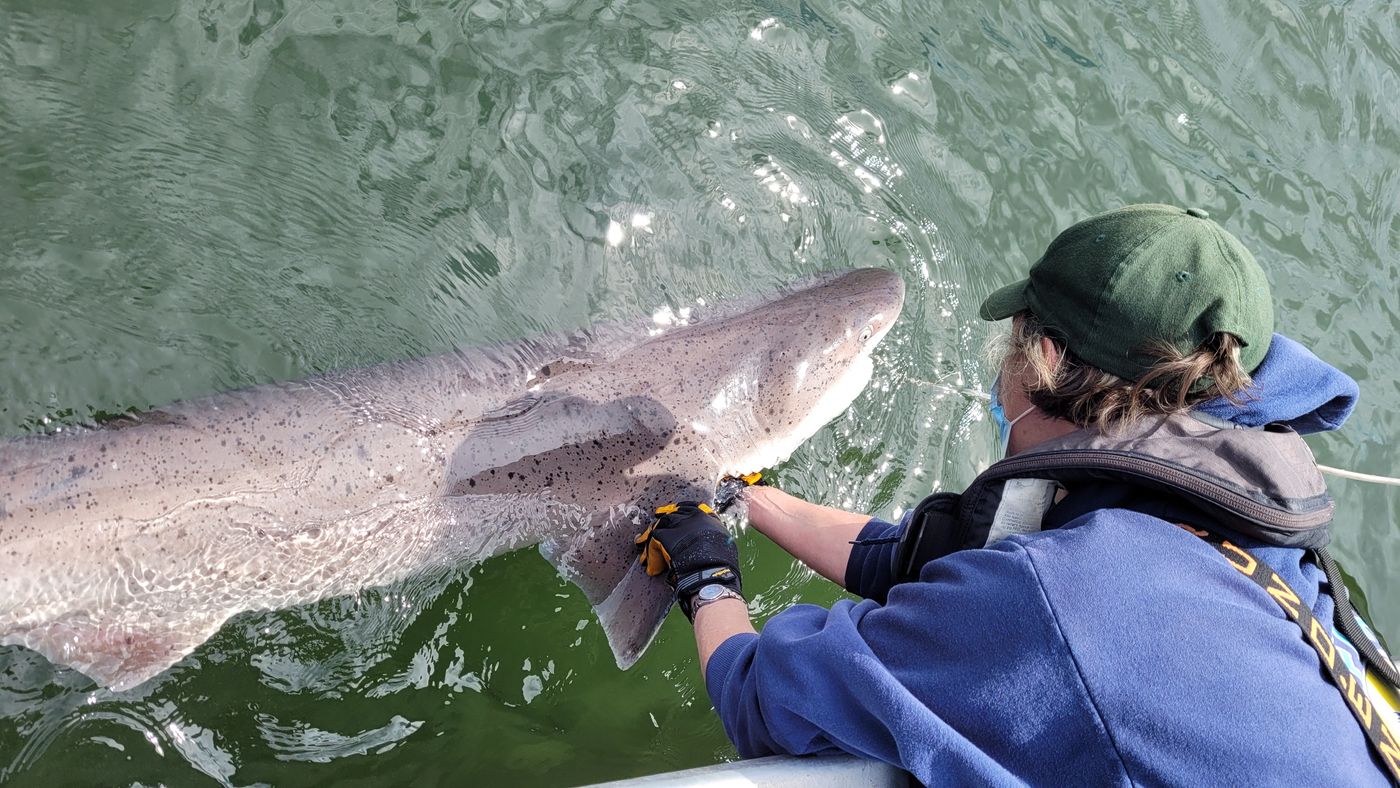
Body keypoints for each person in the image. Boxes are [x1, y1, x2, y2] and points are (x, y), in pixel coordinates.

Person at [637, 204, 1400, 785]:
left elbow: (762, 698)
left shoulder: (1059, 602)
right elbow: (935, 566)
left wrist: (706, 574)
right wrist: (748, 499)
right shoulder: (1244, 527)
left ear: (1037, 358)